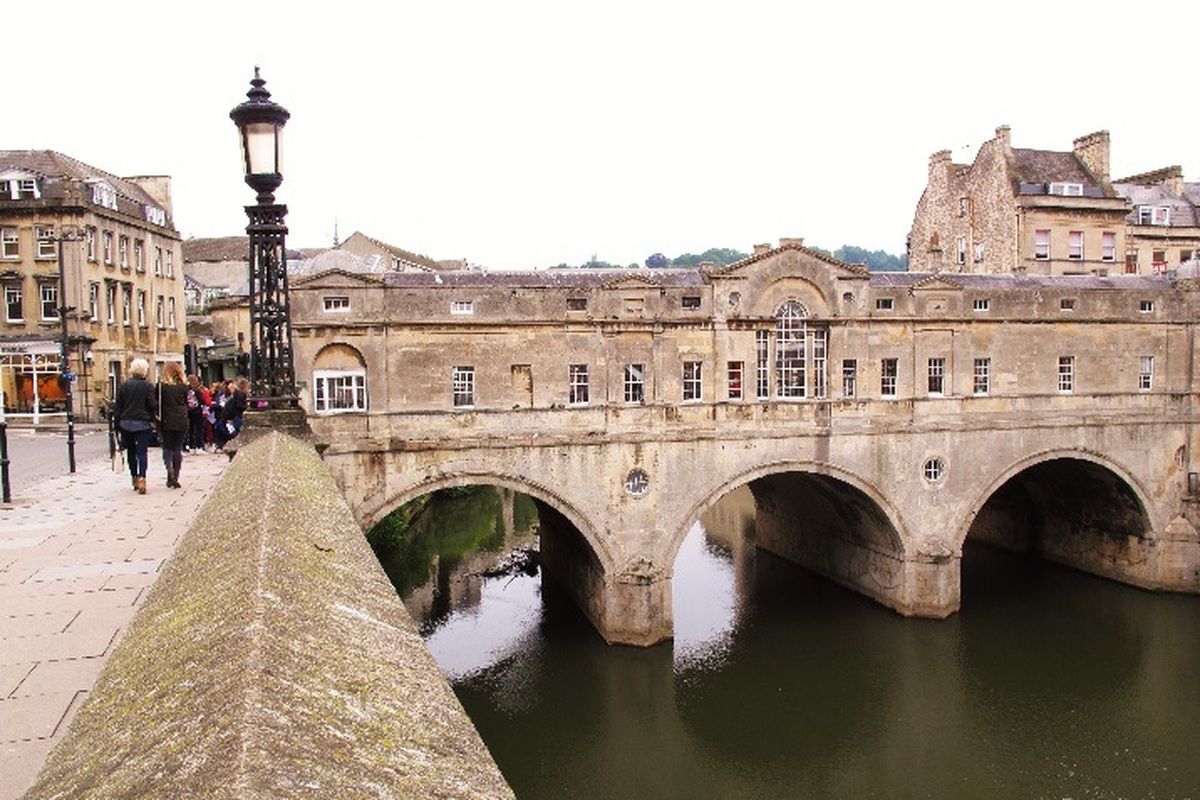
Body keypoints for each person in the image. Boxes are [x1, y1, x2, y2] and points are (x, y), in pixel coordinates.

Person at [112, 358, 157, 494]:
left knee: (131, 451)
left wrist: (116, 424)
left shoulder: (124, 386)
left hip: (126, 423)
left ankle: (134, 477)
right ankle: (143, 477)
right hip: (143, 423)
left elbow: (118, 406)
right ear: (144, 370)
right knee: (142, 452)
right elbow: (152, 405)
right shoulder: (147, 386)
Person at [158, 363, 190, 488]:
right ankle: (175, 476)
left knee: (167, 447)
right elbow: (189, 403)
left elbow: (157, 404)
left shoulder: (162, 387)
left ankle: (169, 469)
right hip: (181, 419)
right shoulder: (184, 387)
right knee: (178, 447)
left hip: (166, 420)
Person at [185, 374, 209, 453]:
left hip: (189, 411)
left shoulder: (186, 390)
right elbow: (201, 401)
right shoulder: (197, 390)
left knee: (191, 429)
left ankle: (191, 446)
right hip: (197, 412)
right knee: (199, 429)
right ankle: (199, 447)